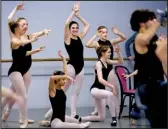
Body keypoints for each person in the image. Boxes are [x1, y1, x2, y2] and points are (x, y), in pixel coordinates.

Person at [2, 3, 50, 128]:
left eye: (27, 24)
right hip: (16, 70)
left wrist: (43, 32)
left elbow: (27, 50)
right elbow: (9, 20)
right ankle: (22, 119)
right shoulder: (14, 38)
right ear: (16, 26)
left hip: (27, 68)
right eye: (23, 24)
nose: (26, 26)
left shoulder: (28, 36)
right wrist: (16, 9)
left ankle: (16, 115)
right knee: (22, 95)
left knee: (14, 94)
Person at [44, 2, 90, 120]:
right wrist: (73, 13)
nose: (75, 29)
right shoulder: (67, 39)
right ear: (69, 30)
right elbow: (65, 23)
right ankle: (51, 112)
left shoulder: (79, 37)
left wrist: (78, 15)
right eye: (73, 28)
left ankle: (73, 114)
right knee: (62, 91)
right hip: (72, 67)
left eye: (76, 28)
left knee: (76, 92)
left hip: (81, 67)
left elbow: (88, 25)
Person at [129, 8, 167, 128]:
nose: (154, 21)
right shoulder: (139, 38)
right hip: (146, 86)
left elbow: (162, 60)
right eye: (152, 19)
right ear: (142, 23)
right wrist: (160, 19)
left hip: (158, 82)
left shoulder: (154, 39)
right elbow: (145, 38)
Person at [39, 51, 91, 128]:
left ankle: (47, 123)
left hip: (63, 117)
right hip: (56, 120)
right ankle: (80, 126)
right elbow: (51, 78)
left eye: (64, 79)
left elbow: (66, 73)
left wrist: (64, 59)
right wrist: (65, 77)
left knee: (76, 121)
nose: (64, 81)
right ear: (57, 80)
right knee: (62, 125)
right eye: (62, 79)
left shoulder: (62, 89)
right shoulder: (52, 91)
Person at [85, 25, 126, 116]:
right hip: (100, 68)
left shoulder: (111, 42)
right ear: (99, 33)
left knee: (115, 89)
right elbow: (87, 44)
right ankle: (97, 110)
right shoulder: (96, 43)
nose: (105, 34)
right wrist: (95, 35)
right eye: (102, 32)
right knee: (98, 89)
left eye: (106, 32)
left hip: (110, 68)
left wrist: (117, 32)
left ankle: (117, 110)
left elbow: (124, 37)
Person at [80, 45, 124, 126]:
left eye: (110, 52)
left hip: (101, 91)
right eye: (108, 52)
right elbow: (100, 79)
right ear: (103, 53)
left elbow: (121, 62)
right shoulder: (98, 64)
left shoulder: (108, 61)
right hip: (95, 89)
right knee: (110, 94)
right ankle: (114, 119)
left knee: (101, 117)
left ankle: (80, 118)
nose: (110, 54)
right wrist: (112, 87)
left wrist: (118, 52)